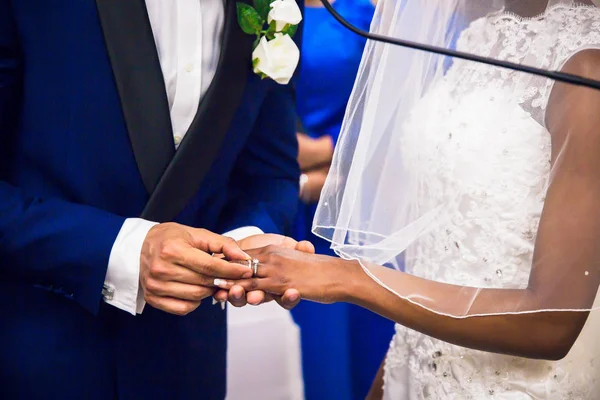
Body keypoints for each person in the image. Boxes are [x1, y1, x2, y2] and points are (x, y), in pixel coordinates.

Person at [216, 0, 600, 398]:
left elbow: (552, 322)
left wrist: (346, 276)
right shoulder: (479, 35)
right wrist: (394, 373)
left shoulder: (586, 66)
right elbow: (443, 253)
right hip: (420, 367)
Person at [0, 0, 304, 399]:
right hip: (38, 356)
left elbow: (270, 172)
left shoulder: (279, 7)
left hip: (189, 365)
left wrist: (240, 247)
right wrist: (123, 253)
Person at [291, 0, 393, 398]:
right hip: (298, 209)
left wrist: (322, 152)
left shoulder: (369, 13)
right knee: (324, 359)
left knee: (374, 342)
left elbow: (395, 108)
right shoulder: (263, 13)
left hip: (367, 202)